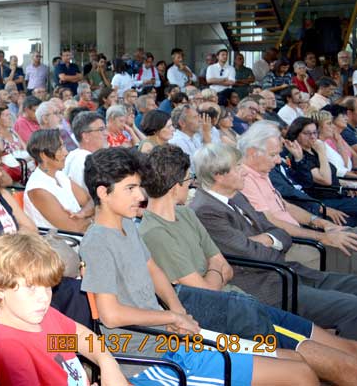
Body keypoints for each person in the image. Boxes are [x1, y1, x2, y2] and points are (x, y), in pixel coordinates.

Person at [80, 147, 317, 385]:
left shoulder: (126, 225)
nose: (140, 196)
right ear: (103, 192)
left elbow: (154, 270)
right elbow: (111, 315)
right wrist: (171, 317)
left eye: (139, 187)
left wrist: (178, 311)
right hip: (149, 358)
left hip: (168, 339)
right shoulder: (98, 243)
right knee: (299, 374)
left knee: (295, 360)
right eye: (130, 188)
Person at [140, 145, 357, 385]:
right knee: (342, 365)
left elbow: (225, 266)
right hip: (231, 316)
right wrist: (216, 269)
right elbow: (206, 289)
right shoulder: (155, 232)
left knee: (348, 349)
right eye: (188, 178)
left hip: (246, 303)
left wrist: (215, 270)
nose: (192, 183)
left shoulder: (186, 215)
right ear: (175, 186)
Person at [191, 143, 357, 340]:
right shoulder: (205, 211)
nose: (245, 171)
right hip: (269, 287)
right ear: (219, 175)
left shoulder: (237, 197)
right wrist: (269, 243)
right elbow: (251, 254)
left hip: (289, 272)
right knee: (352, 307)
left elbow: (281, 234)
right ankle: (348, 356)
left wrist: (266, 239)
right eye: (238, 167)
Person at [0, 233, 141, 386]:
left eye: (48, 287)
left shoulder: (39, 315)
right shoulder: (9, 346)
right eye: (31, 287)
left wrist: (107, 362)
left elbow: (79, 337)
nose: (44, 298)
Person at [239, 120, 357, 273]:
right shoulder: (244, 179)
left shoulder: (261, 171)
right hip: (289, 245)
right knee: (351, 245)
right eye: (273, 155)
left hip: (301, 232)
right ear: (252, 153)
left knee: (350, 235)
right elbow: (270, 221)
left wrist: (322, 223)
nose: (278, 160)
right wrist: (322, 237)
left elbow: (286, 206)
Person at [24, 129, 93, 233]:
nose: (66, 152)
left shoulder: (59, 175)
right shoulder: (37, 189)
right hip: (64, 241)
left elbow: (91, 200)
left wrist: (83, 213)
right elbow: (74, 228)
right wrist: (93, 217)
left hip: (83, 235)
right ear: (44, 155)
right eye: (60, 149)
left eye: (63, 146)